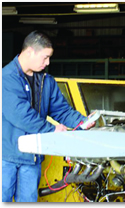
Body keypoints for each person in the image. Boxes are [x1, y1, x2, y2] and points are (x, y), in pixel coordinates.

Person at [2, 30, 95, 202]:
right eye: (45, 57)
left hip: (32, 157)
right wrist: (51, 129)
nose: (48, 62)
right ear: (29, 51)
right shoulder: (6, 78)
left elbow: (61, 110)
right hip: (6, 157)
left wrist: (83, 122)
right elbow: (19, 114)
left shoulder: (47, 82)